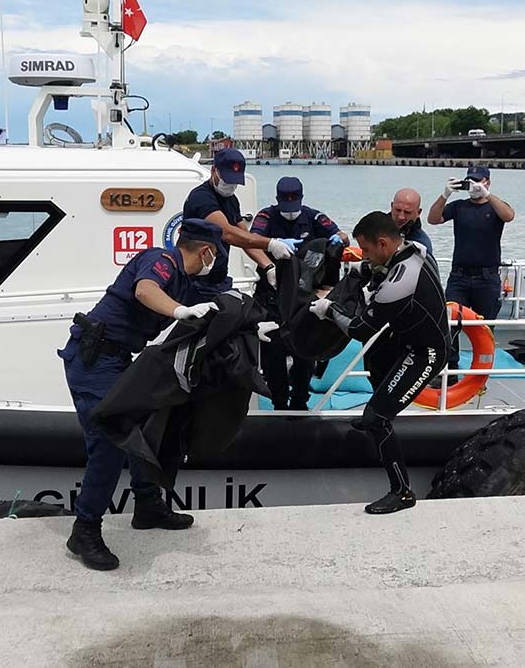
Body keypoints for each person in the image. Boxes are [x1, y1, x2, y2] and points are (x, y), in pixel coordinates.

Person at [57, 218, 277, 571]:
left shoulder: (187, 283)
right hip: (92, 360)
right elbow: (145, 290)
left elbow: (222, 308)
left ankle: (147, 506)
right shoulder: (161, 260)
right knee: (110, 441)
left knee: (147, 429)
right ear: (207, 251)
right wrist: (178, 311)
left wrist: (253, 328)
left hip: (116, 360)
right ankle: (85, 529)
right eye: (214, 256)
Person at [309, 211, 449, 515]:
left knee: (375, 419)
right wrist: (362, 268)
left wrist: (329, 309)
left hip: (426, 353)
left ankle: (401, 492)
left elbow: (360, 330)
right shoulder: (412, 249)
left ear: (383, 243)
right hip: (405, 339)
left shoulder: (399, 284)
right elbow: (378, 269)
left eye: (368, 250)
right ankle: (382, 408)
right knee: (375, 358)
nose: (366, 256)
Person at [250, 176, 349, 410]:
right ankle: (278, 402)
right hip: (272, 293)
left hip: (302, 296)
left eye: (294, 206)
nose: (290, 211)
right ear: (277, 200)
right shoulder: (266, 216)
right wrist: (270, 257)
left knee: (306, 348)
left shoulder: (313, 217)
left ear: (302, 200)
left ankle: (300, 401)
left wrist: (340, 240)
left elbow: (342, 235)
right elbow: (252, 241)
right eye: (285, 205)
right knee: (273, 350)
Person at [427, 165, 515, 376]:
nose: (473, 185)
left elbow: (509, 215)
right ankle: (450, 370)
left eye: (478, 181)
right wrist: (445, 194)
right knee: (449, 324)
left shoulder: (496, 207)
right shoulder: (459, 207)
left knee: (485, 328)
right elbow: (433, 219)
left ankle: (480, 373)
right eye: (470, 181)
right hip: (459, 276)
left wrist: (488, 196)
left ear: (487, 182)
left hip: (487, 277)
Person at [182, 148, 301, 303]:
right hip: (195, 280)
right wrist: (271, 244)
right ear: (213, 171)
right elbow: (226, 232)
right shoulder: (201, 197)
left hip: (219, 279)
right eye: (227, 180)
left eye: (235, 182)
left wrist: (269, 266)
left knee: (248, 313)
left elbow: (245, 238)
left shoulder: (231, 200)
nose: (231, 186)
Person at [390, 187, 432, 255]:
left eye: (407, 212)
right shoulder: (374, 228)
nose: (401, 217)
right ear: (392, 206)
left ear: (418, 212)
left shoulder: (421, 244)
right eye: (398, 210)